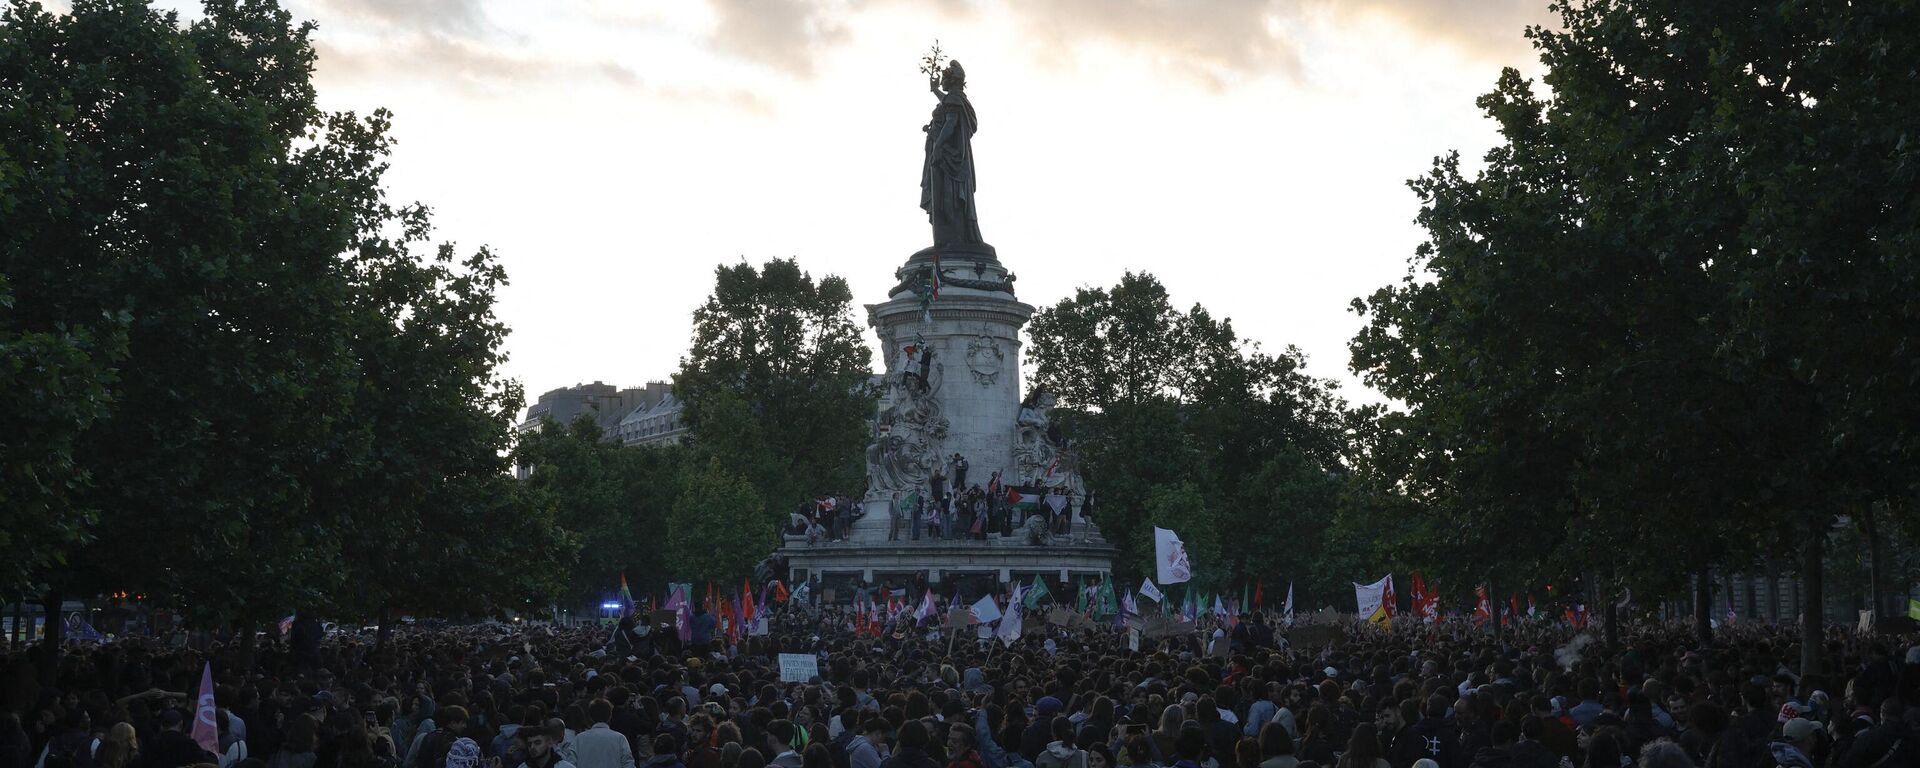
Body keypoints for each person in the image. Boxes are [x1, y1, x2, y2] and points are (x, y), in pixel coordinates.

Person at [920, 60, 983, 247]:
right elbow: (948, 104)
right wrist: (934, 90)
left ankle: (949, 239)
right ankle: (947, 238)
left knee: (947, 197)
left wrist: (938, 147)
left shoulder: (955, 100)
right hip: (946, 156)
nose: (942, 83)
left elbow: (950, 124)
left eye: (944, 79)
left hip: (948, 158)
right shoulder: (955, 99)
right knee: (944, 197)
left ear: (953, 81)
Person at [573, 700, 636, 768]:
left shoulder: (579, 739)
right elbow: (628, 764)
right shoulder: (620, 738)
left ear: (590, 717)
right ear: (610, 716)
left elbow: (571, 763)